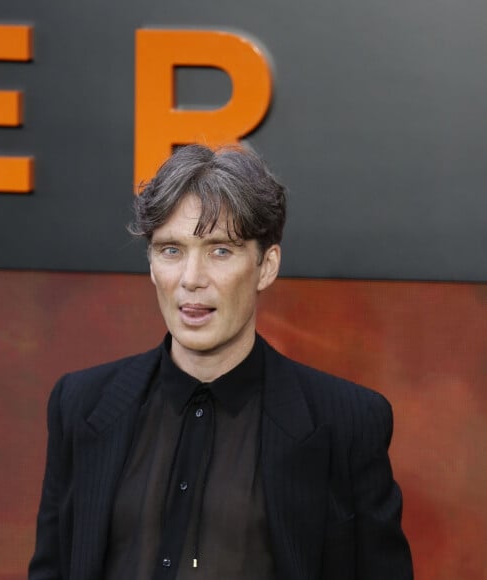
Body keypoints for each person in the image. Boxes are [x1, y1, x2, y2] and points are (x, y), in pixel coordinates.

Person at [28, 144, 413, 580]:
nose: (192, 279)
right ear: (152, 265)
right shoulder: (80, 404)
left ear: (266, 266)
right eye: (171, 250)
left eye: (220, 250)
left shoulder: (348, 422)